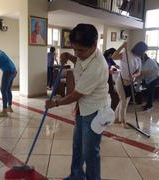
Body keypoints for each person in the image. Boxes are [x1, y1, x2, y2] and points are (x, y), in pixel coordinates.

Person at [45, 23, 111, 180]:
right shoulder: (87, 55)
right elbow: (81, 62)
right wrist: (69, 56)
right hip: (83, 108)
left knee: (90, 152)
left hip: (95, 112)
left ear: (94, 45)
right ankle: (76, 175)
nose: (77, 53)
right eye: (74, 49)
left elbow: (76, 94)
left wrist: (55, 103)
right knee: (77, 146)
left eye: (80, 50)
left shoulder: (97, 67)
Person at [111, 41, 148, 128]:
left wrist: (134, 76)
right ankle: (123, 122)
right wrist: (122, 46)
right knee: (124, 101)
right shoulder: (126, 53)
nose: (144, 53)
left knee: (123, 102)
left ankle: (116, 119)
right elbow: (113, 56)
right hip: (121, 80)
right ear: (139, 49)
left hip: (130, 82)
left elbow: (138, 72)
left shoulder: (139, 58)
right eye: (143, 50)